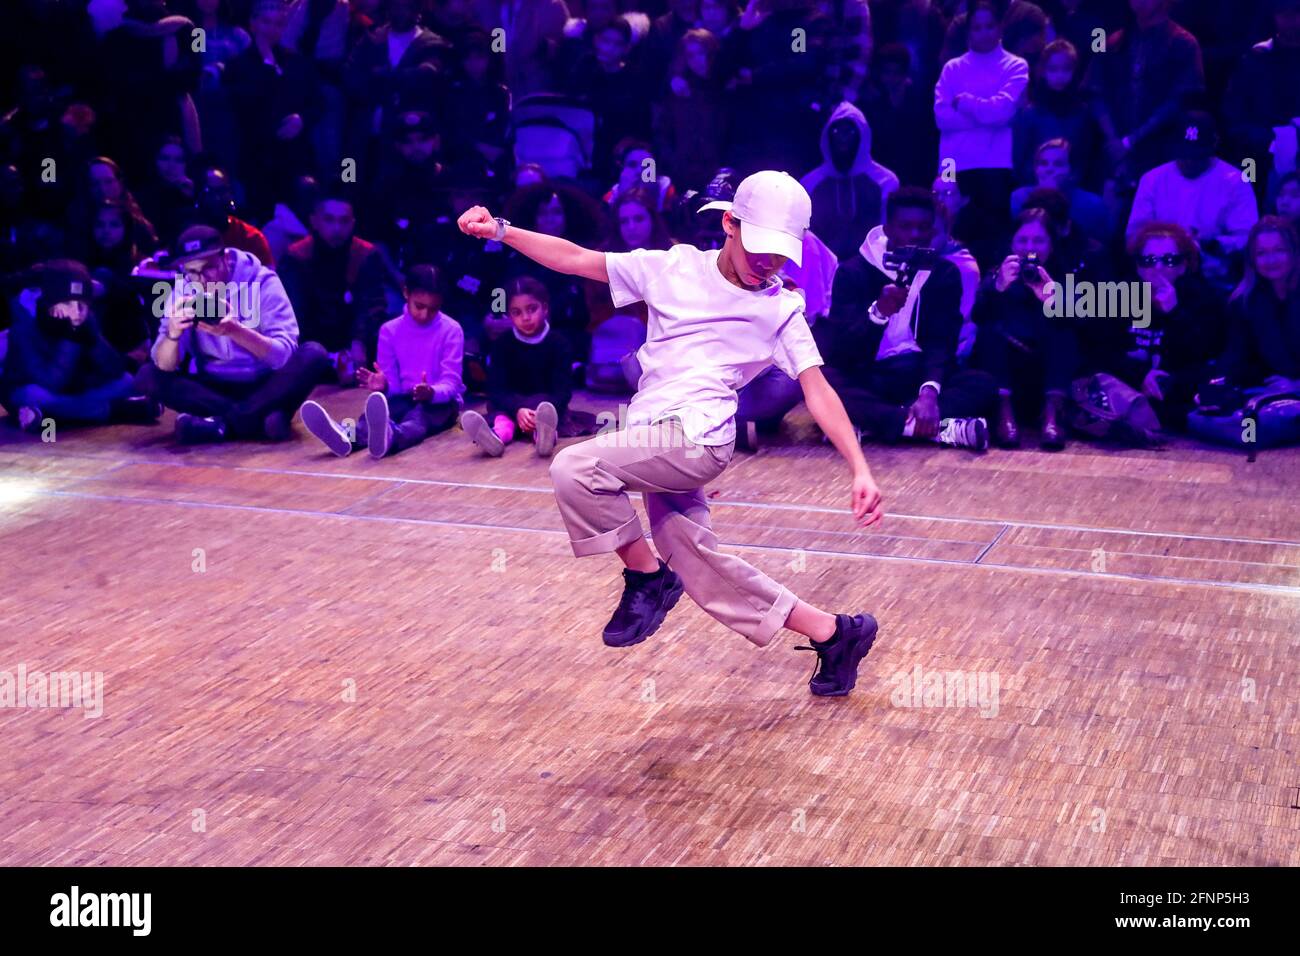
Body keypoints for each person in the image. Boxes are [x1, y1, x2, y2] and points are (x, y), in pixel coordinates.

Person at [457, 170, 887, 698]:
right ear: (730, 224)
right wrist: (502, 230)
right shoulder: (673, 267)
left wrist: (859, 469)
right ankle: (836, 633)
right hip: (652, 433)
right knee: (694, 558)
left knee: (575, 468)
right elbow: (576, 258)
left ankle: (647, 578)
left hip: (698, 439)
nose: (769, 264)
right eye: (761, 249)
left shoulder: (780, 309)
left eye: (781, 254)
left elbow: (817, 392)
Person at [815, 187, 996, 450]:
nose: (915, 235)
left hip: (917, 376)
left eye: (923, 228)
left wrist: (929, 393)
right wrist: (878, 313)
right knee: (821, 380)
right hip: (868, 374)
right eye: (906, 226)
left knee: (983, 384)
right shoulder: (853, 271)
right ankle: (931, 429)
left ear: (933, 230)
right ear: (887, 228)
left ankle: (871, 424)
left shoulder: (944, 273)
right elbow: (842, 350)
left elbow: (942, 343)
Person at [134, 225, 331, 443]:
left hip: (265, 383)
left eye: (208, 268)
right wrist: (172, 335)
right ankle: (256, 421)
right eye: (192, 272)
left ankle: (221, 425)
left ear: (225, 258)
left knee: (314, 354)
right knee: (148, 375)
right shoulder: (184, 289)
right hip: (213, 388)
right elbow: (164, 365)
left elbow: (283, 356)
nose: (201, 280)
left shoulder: (263, 281)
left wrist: (235, 331)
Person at [300, 264, 463, 458]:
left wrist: (431, 392)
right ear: (406, 293)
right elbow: (393, 388)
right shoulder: (389, 331)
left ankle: (392, 435)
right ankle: (347, 435)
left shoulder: (451, 330)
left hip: (441, 402)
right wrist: (384, 385)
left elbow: (452, 384)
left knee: (418, 418)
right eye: (419, 306)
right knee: (377, 413)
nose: (424, 315)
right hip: (404, 397)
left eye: (433, 309)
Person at [1, 260, 157, 432]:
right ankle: (115, 411)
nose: (76, 313)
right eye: (67, 304)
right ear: (50, 304)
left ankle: (52, 416)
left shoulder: (86, 322)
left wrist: (92, 339)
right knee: (34, 396)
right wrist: (71, 337)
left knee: (127, 382)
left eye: (81, 305)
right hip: (40, 390)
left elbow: (114, 370)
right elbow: (52, 382)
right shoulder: (24, 331)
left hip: (76, 391)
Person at [1188, 216, 1300, 448]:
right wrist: (1216, 386)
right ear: (1252, 260)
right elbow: (1235, 355)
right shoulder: (1245, 301)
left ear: (1294, 253)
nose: (1271, 260)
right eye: (1262, 253)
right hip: (1276, 388)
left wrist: (1296, 385)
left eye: (1279, 250)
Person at [933, 0, 1029, 269]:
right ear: (968, 32)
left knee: (993, 239)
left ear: (1000, 27)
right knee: (952, 232)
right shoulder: (952, 68)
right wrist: (986, 112)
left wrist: (965, 102)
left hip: (995, 164)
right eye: (976, 27)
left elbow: (1004, 112)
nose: (983, 32)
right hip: (952, 165)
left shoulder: (1016, 65)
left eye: (989, 26)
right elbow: (941, 117)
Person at [973, 207, 1080, 450]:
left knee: (1062, 332)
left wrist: (1052, 299)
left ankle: (1053, 417)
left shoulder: (1065, 278)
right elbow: (977, 318)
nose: (1029, 247)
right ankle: (1004, 416)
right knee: (992, 331)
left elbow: (1082, 331)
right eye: (1022, 240)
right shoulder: (996, 276)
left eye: (1039, 240)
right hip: (1005, 378)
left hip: (1049, 380)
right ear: (1011, 243)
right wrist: (998, 288)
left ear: (1051, 245)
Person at [1105, 222, 1225, 430]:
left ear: (1183, 266)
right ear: (1138, 266)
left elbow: (1205, 352)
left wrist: (1174, 313)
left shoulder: (1203, 298)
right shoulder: (1120, 295)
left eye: (1169, 260)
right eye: (1148, 260)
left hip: (1177, 386)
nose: (1157, 268)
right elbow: (1104, 349)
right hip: (1130, 383)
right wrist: (1140, 374)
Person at [1125, 111, 1260, 289]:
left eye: (1197, 156)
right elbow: (1133, 236)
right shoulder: (1152, 179)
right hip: (1159, 276)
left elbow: (1249, 238)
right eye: (1184, 155)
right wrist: (1170, 243)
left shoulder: (1236, 180)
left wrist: (1212, 243)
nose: (1189, 162)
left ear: (1213, 146)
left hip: (1214, 280)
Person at [278, 189, 400, 382]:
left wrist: (358, 341)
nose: (337, 228)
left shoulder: (366, 254)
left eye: (344, 221)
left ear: (352, 223)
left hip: (355, 340)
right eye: (329, 220)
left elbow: (372, 305)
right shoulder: (295, 256)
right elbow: (294, 312)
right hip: (311, 341)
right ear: (314, 221)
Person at [459, 276, 583, 459]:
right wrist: (517, 410)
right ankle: (496, 438)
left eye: (532, 309)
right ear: (509, 315)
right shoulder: (502, 344)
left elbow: (563, 392)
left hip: (547, 405)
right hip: (510, 405)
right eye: (517, 312)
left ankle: (544, 436)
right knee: (502, 419)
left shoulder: (559, 343)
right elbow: (496, 389)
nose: (525, 318)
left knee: (545, 415)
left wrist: (535, 412)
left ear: (545, 308)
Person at [800, 102, 900, 262]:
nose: (843, 139)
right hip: (822, 271)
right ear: (828, 136)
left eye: (850, 132)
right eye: (837, 132)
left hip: (871, 269)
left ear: (862, 135)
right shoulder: (810, 184)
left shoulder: (885, 182)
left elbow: (889, 234)